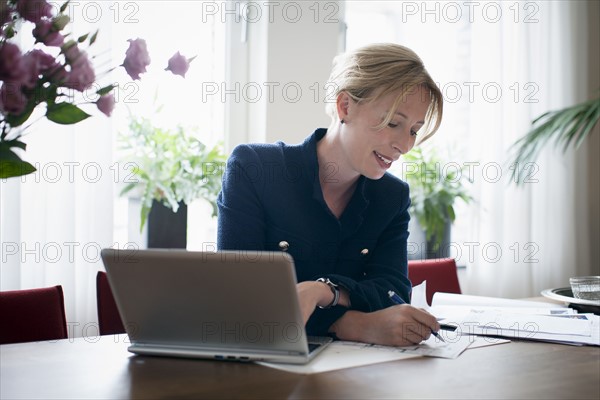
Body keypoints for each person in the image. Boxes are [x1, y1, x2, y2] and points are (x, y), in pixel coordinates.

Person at [217, 43, 444, 346]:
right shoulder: (254, 168)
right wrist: (354, 324)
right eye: (393, 123)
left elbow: (392, 292)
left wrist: (322, 291)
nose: (405, 145)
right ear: (345, 107)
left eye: (414, 130)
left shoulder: (392, 197)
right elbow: (239, 295)